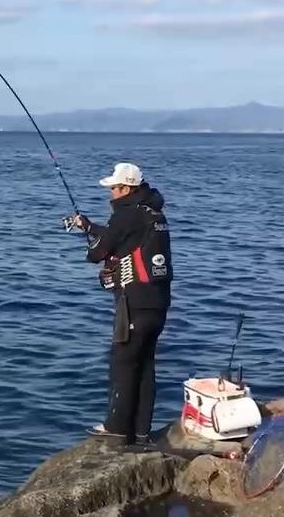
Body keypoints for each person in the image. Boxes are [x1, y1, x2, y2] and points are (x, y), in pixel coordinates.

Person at [71, 162, 172, 446]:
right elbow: (125, 240)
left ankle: (116, 429)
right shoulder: (154, 214)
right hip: (158, 303)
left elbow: (98, 252)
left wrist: (92, 243)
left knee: (123, 362)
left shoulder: (126, 215)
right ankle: (141, 433)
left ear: (126, 188)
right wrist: (89, 226)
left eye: (114, 189)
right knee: (146, 364)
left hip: (134, 302)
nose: (111, 194)